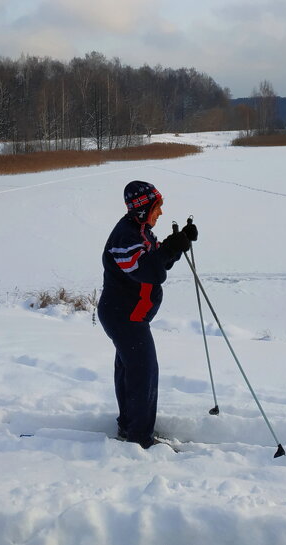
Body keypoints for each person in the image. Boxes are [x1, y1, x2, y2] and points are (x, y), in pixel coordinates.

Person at [97, 180, 198, 448]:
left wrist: (178, 244)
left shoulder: (141, 230)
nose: (161, 213)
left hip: (130, 316)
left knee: (131, 369)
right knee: (144, 372)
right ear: (143, 210)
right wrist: (169, 248)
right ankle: (139, 439)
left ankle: (129, 427)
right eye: (157, 207)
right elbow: (148, 270)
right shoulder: (125, 238)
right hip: (124, 317)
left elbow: (156, 260)